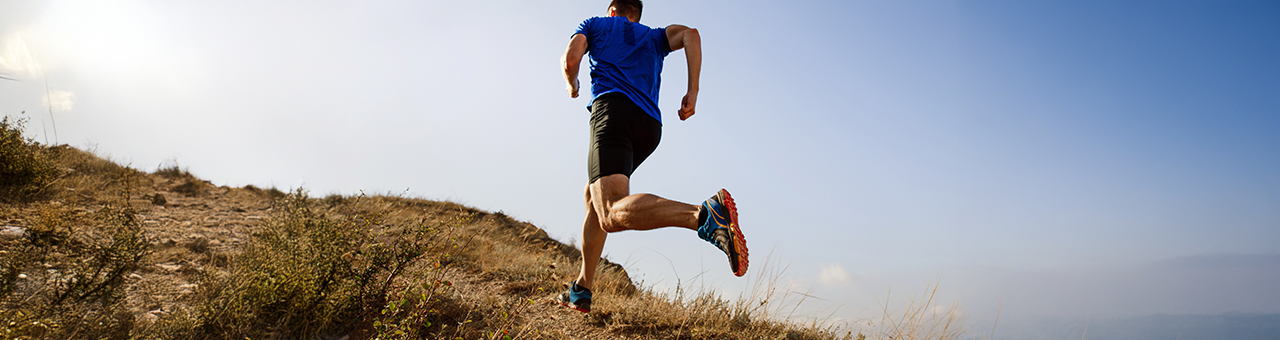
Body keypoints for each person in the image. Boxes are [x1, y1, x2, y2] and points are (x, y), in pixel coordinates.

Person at [557, 0, 748, 313]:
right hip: (649, 126)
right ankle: (582, 287)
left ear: (613, 11)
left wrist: (572, 82)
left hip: (613, 113)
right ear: (636, 14)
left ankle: (702, 215)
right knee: (593, 195)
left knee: (609, 211)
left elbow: (571, 58)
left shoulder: (596, 24)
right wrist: (693, 92)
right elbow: (691, 35)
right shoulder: (655, 36)